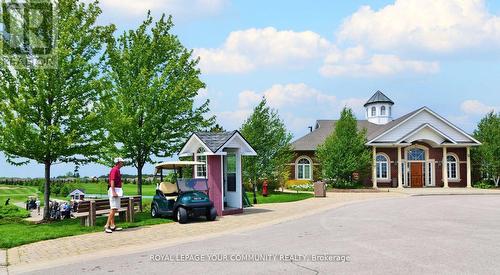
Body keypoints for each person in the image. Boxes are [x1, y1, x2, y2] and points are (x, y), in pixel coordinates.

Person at [105, 157, 124, 233]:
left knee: (114, 208)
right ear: (118, 162)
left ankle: (112, 225)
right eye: (122, 162)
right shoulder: (114, 170)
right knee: (113, 209)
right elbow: (112, 181)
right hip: (114, 190)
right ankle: (107, 225)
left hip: (116, 190)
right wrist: (113, 192)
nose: (123, 163)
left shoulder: (117, 170)